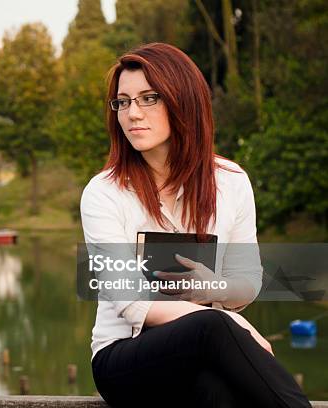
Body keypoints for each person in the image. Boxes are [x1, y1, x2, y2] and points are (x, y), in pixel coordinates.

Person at [80, 43, 311, 408]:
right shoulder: (104, 192)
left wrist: (213, 286)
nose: (132, 113)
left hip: (204, 353)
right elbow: (135, 304)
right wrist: (237, 326)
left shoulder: (231, 180)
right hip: (125, 357)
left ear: (183, 100)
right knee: (215, 326)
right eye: (122, 102)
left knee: (215, 393)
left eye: (148, 98)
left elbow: (247, 283)